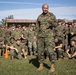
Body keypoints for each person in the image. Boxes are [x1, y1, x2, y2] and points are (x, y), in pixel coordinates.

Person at [35, 4, 57, 73]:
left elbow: (56, 25)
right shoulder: (39, 17)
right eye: (44, 8)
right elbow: (37, 27)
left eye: (46, 8)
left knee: (50, 51)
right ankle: (41, 65)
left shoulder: (51, 15)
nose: (45, 9)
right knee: (39, 51)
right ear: (42, 8)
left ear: (48, 8)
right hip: (40, 37)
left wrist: (52, 22)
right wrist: (36, 35)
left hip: (49, 37)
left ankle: (52, 66)